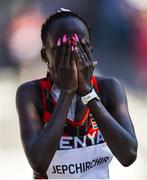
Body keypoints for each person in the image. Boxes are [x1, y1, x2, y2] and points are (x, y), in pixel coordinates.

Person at [16, 8, 138, 179]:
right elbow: (39, 162)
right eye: (62, 51)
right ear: (45, 56)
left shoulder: (108, 88)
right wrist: (67, 91)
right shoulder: (32, 93)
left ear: (90, 51)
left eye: (81, 47)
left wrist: (87, 92)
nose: (73, 55)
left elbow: (129, 155)